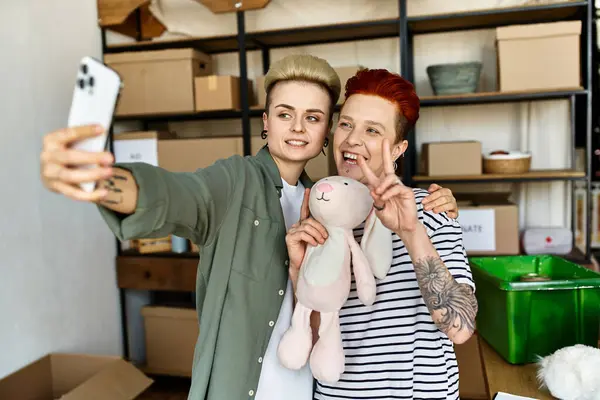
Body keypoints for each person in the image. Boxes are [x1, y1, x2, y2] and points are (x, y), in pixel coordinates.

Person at [39, 55, 460, 400]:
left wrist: (415, 226)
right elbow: (178, 194)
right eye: (285, 114)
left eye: (313, 117)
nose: (298, 128)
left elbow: (452, 325)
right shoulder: (236, 182)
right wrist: (98, 181)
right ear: (266, 121)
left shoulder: (357, 206)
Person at [285, 68, 478, 400]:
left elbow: (460, 327)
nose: (353, 140)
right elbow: (313, 337)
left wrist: (411, 231)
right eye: (346, 124)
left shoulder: (430, 211)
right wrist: (298, 271)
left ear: (397, 149)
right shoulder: (317, 212)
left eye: (372, 130)